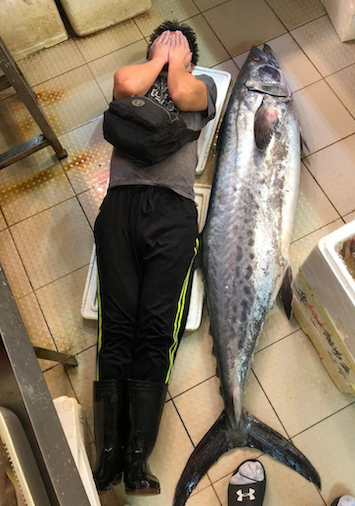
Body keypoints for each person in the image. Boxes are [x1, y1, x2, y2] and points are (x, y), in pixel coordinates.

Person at [92, 20, 217, 496]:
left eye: (178, 44)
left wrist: (177, 64)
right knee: (117, 323)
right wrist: (157, 61)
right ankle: (108, 455)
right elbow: (126, 84)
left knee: (156, 328)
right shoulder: (136, 80)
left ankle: (137, 457)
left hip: (173, 209)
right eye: (161, 45)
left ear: (190, 57)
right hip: (121, 203)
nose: (168, 51)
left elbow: (184, 93)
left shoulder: (199, 86)